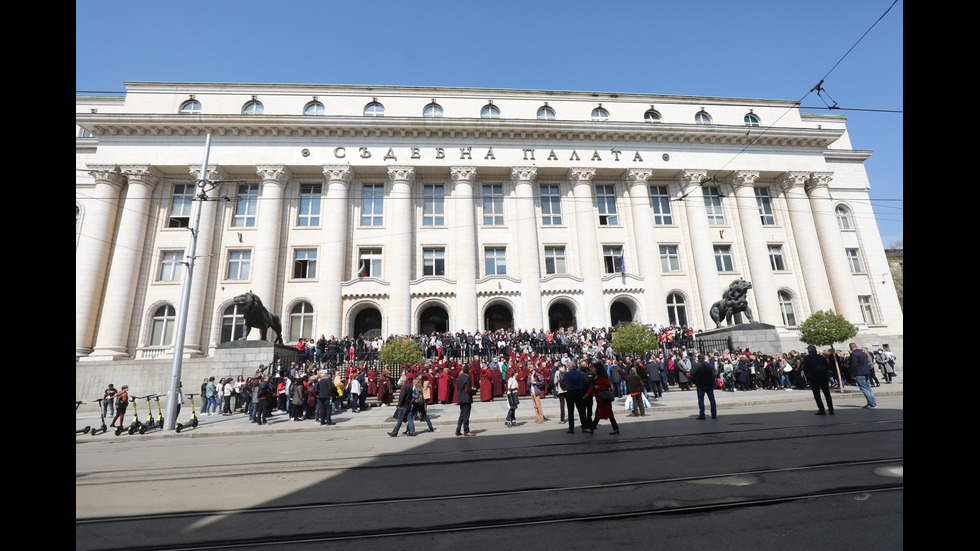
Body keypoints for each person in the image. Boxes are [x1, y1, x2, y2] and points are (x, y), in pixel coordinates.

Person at [588, 362, 620, 434]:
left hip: (603, 398)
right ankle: (616, 428)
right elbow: (592, 386)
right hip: (600, 397)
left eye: (594, 367)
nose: (593, 369)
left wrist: (599, 387)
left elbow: (607, 385)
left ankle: (592, 428)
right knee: (609, 413)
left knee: (599, 413)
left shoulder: (602, 376)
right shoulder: (597, 375)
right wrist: (588, 393)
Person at [801, 345, 834, 415]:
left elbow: (805, 368)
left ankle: (821, 409)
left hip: (813, 377)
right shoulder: (821, 357)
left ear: (809, 350)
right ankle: (831, 409)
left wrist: (807, 376)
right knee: (827, 393)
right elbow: (826, 366)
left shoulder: (807, 358)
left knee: (817, 394)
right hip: (823, 376)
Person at [561, 362, 591, 434]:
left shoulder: (567, 374)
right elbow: (585, 381)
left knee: (570, 411)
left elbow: (562, 380)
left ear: (570, 367)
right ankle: (584, 426)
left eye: (568, 366)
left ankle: (571, 428)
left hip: (570, 392)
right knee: (581, 410)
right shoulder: (580, 374)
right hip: (579, 392)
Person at [849, 343, 877, 408]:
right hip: (866, 372)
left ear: (850, 347)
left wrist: (852, 374)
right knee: (869, 388)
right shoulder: (863, 353)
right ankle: (872, 402)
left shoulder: (853, 354)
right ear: (856, 346)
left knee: (864, 389)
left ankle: (872, 403)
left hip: (859, 373)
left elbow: (853, 365)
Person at [689, 354, 717, 419]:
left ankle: (702, 414)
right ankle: (714, 414)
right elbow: (712, 374)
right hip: (709, 384)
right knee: (712, 399)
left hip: (700, 384)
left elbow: (692, 373)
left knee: (701, 400)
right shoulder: (708, 365)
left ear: (698, 359)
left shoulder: (696, 365)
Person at [455, 365, 476, 436]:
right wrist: (474, 390)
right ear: (468, 371)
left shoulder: (460, 378)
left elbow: (458, 388)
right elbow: (469, 390)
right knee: (466, 415)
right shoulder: (467, 378)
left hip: (461, 397)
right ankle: (466, 430)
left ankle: (458, 429)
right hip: (466, 398)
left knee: (462, 414)